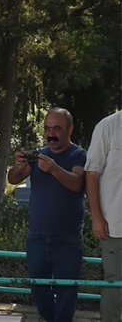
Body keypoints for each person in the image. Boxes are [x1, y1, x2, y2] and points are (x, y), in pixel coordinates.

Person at [7, 107, 86, 322]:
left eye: (57, 128)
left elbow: (78, 184)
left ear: (70, 129)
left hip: (67, 240)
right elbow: (13, 178)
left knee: (66, 293)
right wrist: (18, 166)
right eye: (47, 128)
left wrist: (53, 169)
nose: (51, 133)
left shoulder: (79, 155)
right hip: (37, 238)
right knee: (38, 288)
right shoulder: (39, 155)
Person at [84, 110, 121, 322]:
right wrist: (96, 217)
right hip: (115, 224)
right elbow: (92, 173)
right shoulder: (107, 126)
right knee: (114, 283)